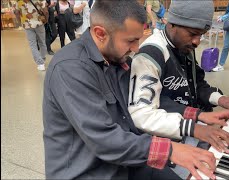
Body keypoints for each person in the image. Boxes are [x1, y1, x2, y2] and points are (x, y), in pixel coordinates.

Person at [42, 0, 217, 179]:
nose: (136, 48)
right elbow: (104, 140)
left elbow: (149, 99)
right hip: (90, 171)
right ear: (100, 33)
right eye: (131, 41)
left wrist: (196, 117)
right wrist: (171, 150)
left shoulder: (119, 59)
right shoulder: (70, 69)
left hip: (127, 163)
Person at [128, 0, 229, 156]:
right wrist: (194, 127)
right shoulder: (150, 55)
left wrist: (219, 99)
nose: (197, 42)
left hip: (190, 129)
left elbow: (196, 84)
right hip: (166, 146)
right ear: (172, 24)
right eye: (193, 34)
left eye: (201, 35)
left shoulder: (184, 45)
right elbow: (141, 115)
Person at [17, 0, 48, 71]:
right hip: (39, 23)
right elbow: (46, 11)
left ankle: (40, 63)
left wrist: (20, 23)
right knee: (42, 42)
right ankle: (42, 59)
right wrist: (46, 20)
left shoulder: (18, 1)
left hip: (27, 25)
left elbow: (16, 12)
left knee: (32, 44)